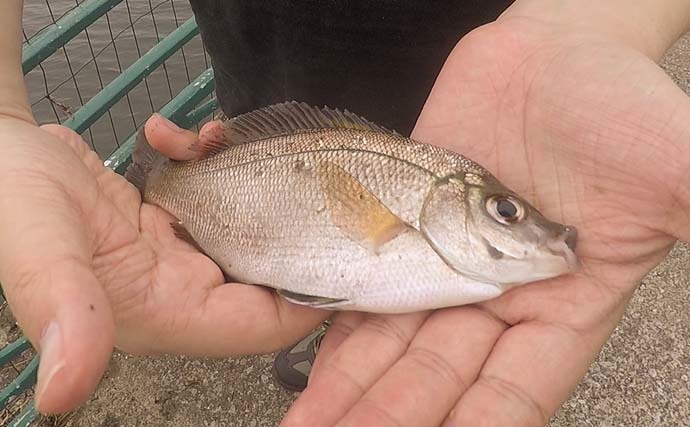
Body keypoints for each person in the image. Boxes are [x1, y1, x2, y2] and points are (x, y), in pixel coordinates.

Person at [1, 0, 689, 425]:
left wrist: (601, 19)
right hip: (260, 96)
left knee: (432, 353)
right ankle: (319, 326)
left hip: (491, 100)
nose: (529, 225)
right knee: (315, 296)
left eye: (504, 210)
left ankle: (324, 325)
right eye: (504, 212)